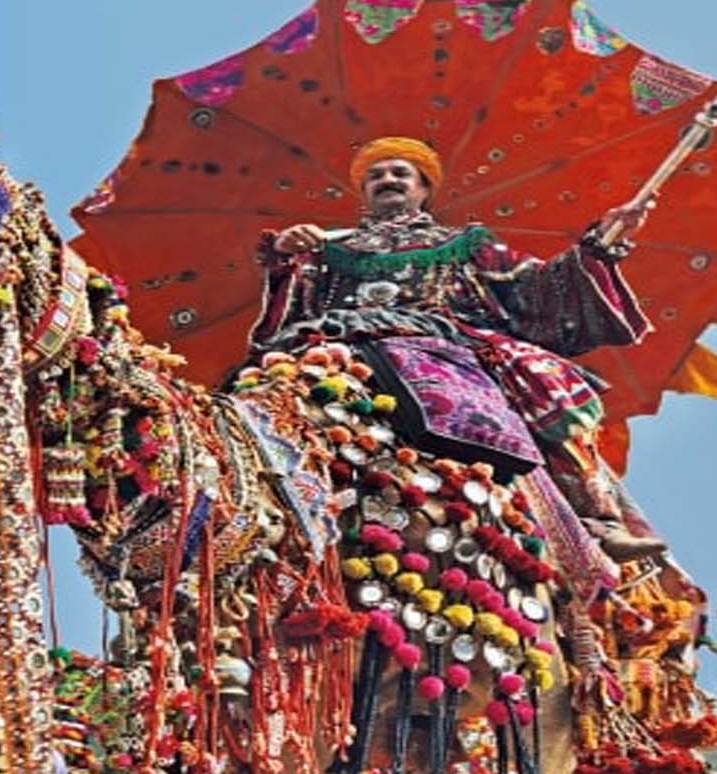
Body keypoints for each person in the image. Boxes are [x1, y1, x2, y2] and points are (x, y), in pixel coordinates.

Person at [253, 136, 665, 571]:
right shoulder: (328, 250)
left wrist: (601, 242)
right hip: (344, 340)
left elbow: (534, 286)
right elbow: (294, 312)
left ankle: (596, 517)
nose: (387, 180)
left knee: (545, 378)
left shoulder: (465, 242)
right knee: (275, 382)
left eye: (399, 173)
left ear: (424, 188)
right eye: (375, 175)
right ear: (364, 191)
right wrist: (285, 257)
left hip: (451, 338)